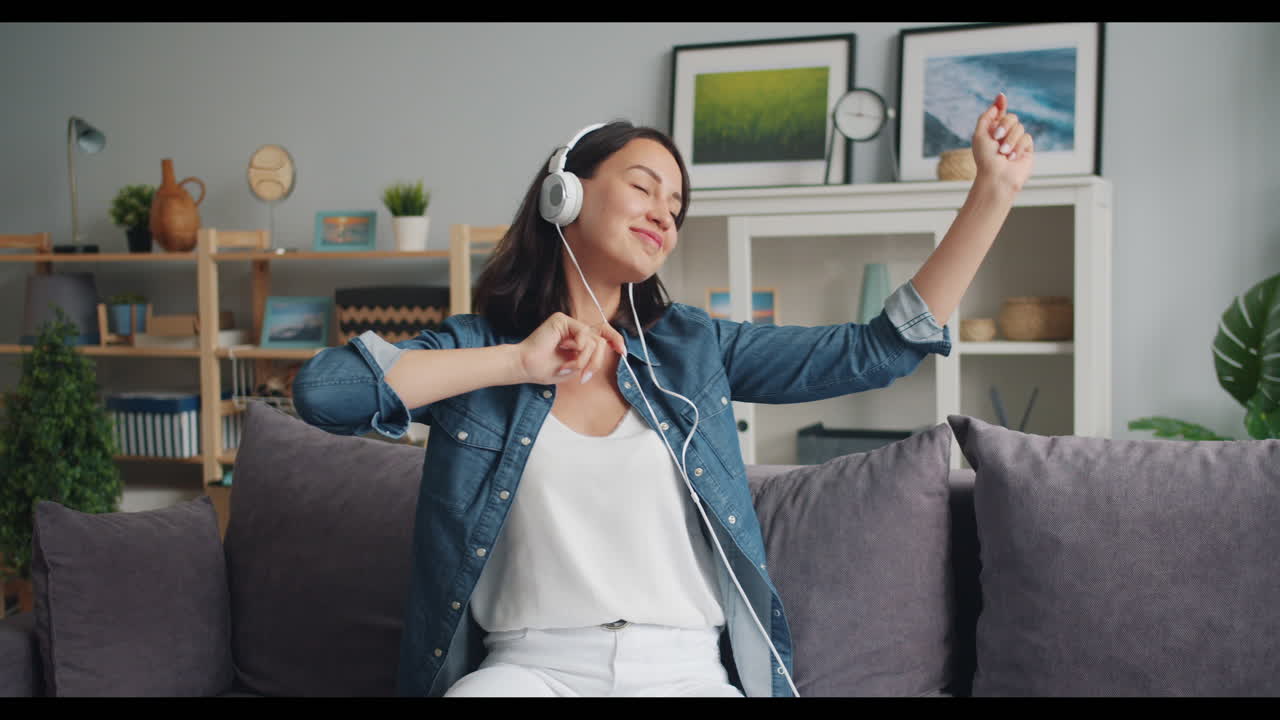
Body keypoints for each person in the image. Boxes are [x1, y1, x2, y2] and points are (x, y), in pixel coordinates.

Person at [291, 93, 1034, 698]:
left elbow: (875, 350)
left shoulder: (694, 347)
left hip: (684, 669)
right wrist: (518, 360)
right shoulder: (478, 353)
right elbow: (325, 394)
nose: (663, 216)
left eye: (676, 207)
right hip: (531, 670)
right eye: (643, 187)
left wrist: (992, 195)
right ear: (564, 194)